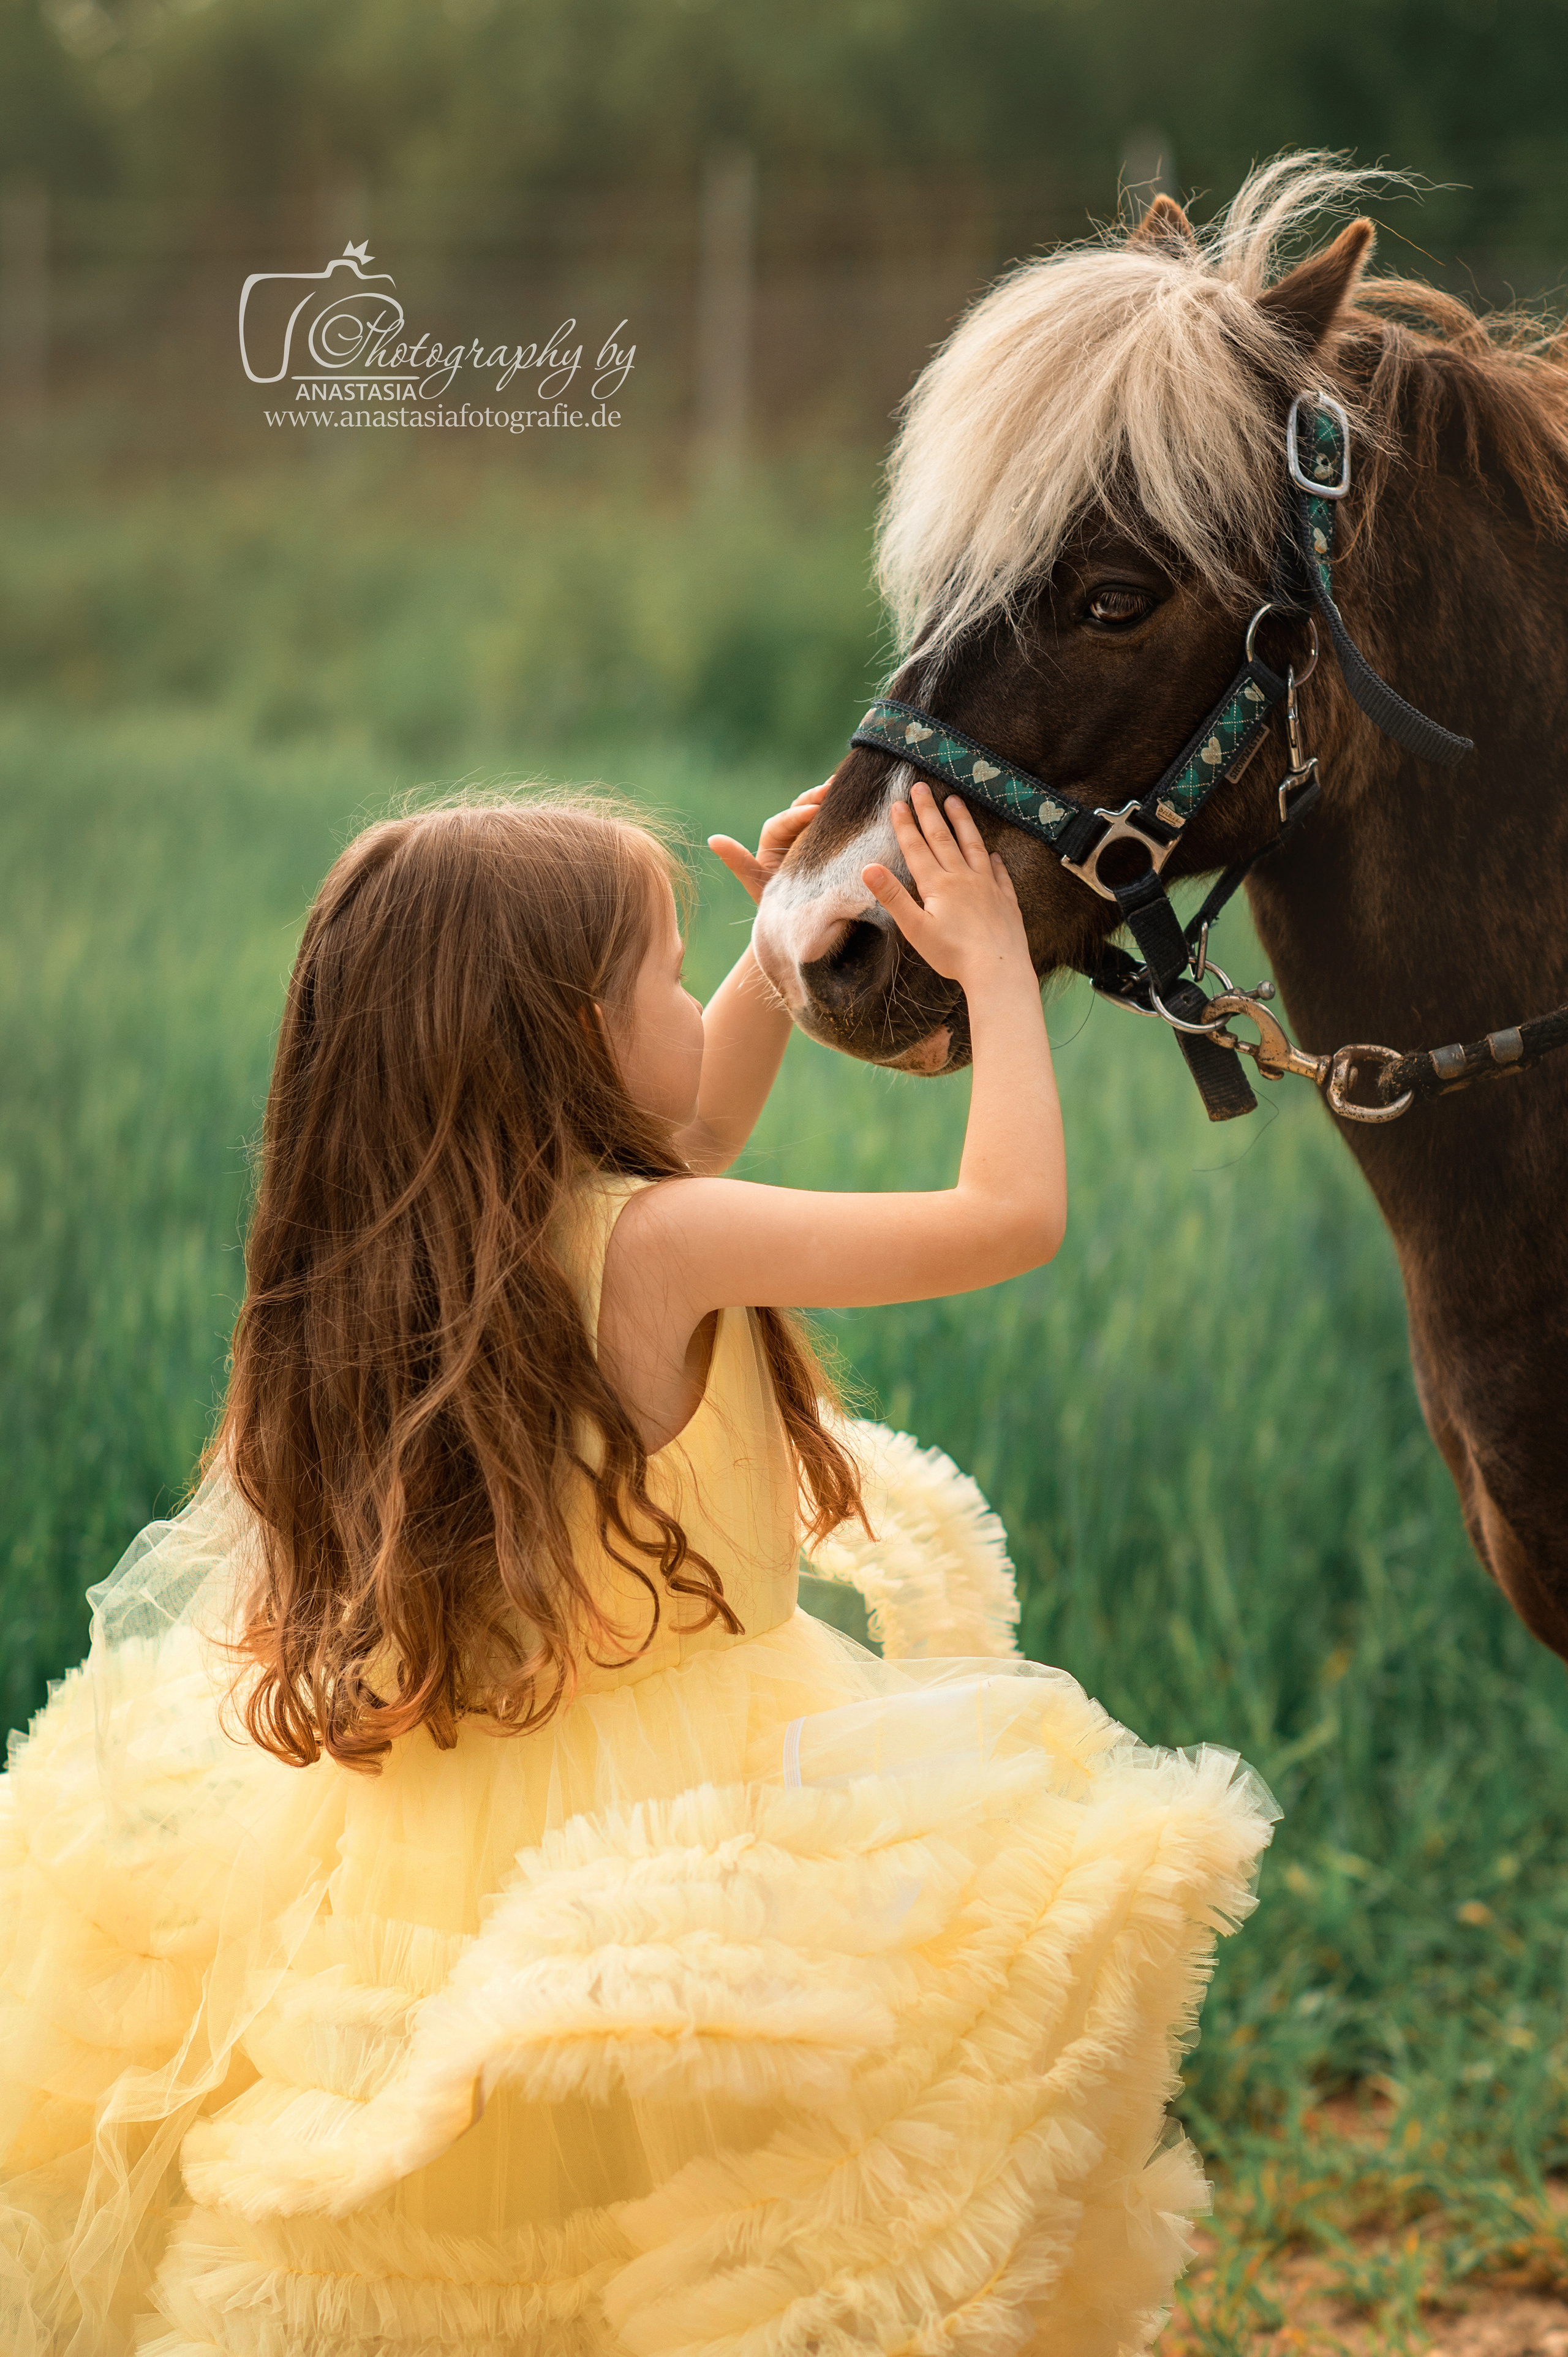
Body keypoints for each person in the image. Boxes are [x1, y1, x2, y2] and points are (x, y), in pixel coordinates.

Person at [0, 783, 1275, 2357]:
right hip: (690, 1812)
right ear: (572, 1037)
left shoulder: (412, 1256)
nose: (693, 1002)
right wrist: (997, 968)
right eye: (667, 978)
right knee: (717, 2195)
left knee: (508, 2219)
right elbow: (1005, 1216)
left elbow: (696, 1125)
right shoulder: (658, 1243)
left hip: (450, 1827)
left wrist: (779, 946)